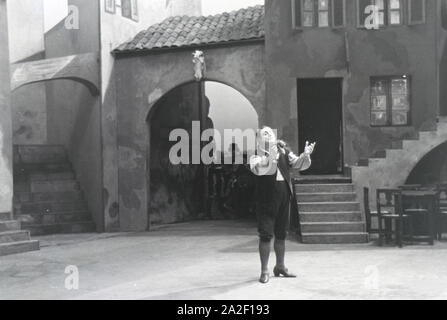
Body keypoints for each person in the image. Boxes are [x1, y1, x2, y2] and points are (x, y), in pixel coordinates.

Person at [250, 127, 316, 284]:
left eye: (270, 132)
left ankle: (280, 267)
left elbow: (299, 164)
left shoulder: (284, 152)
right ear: (258, 138)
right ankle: (264, 271)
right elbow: (259, 170)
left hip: (284, 198)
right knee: (266, 235)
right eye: (264, 133)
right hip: (266, 200)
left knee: (281, 234)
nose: (268, 134)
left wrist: (305, 155)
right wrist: (271, 156)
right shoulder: (256, 156)